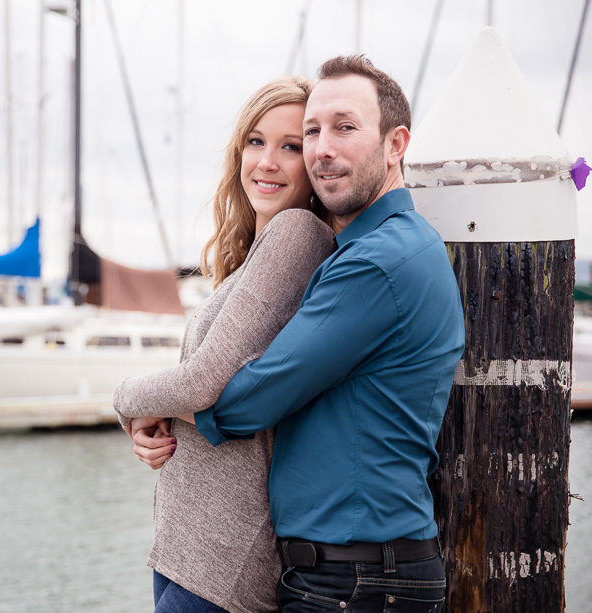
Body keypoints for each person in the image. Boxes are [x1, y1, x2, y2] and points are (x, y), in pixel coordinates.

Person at [192, 55, 466, 612]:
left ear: (396, 145)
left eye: (345, 127)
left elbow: (259, 395)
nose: (322, 148)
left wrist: (173, 410)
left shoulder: (378, 262)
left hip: (358, 581)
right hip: (352, 576)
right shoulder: (370, 248)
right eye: (311, 131)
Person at [113, 76, 337, 613]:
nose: (267, 161)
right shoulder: (256, 252)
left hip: (225, 551)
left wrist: (125, 401)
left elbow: (203, 382)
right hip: (186, 543)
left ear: (313, 164)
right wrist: (153, 425)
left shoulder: (297, 234)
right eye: (256, 141)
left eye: (290, 147)